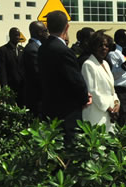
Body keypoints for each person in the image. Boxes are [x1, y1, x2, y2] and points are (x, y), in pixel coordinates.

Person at [38, 10, 90, 139]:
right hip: (68, 111)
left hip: (49, 106)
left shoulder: (42, 48)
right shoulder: (64, 51)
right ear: (67, 27)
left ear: (48, 27)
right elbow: (75, 80)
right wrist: (85, 97)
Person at [82, 30, 120, 132]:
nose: (104, 48)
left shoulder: (106, 64)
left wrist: (117, 104)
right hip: (96, 114)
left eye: (106, 46)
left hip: (110, 114)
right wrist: (109, 109)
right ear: (93, 47)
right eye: (100, 45)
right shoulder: (88, 65)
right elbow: (92, 91)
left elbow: (112, 90)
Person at [21, 20, 49, 116]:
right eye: (46, 31)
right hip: (37, 98)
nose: (48, 34)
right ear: (39, 33)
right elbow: (37, 75)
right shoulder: (32, 49)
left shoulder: (38, 47)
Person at [0, 27, 25, 104]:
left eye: (18, 35)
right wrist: (4, 88)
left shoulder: (22, 49)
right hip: (10, 86)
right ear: (10, 36)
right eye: (15, 35)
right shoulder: (2, 50)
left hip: (22, 86)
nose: (17, 37)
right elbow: (2, 71)